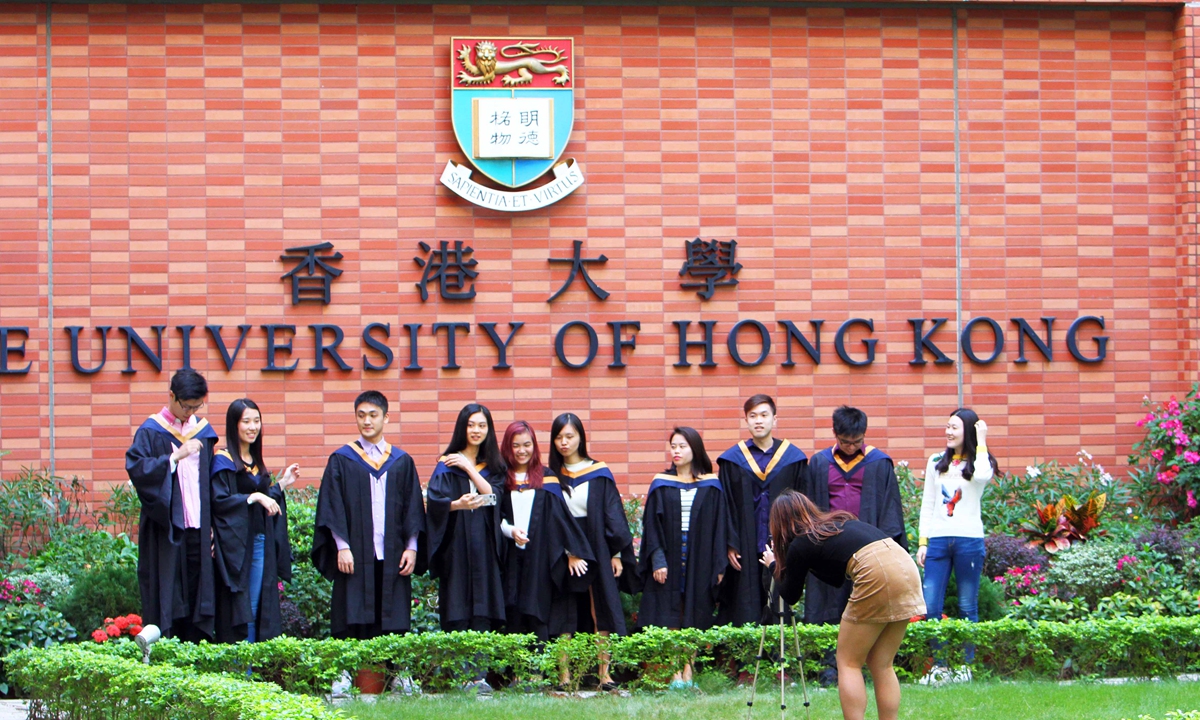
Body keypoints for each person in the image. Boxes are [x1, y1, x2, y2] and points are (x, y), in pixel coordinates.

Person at [762, 490, 924, 720]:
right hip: (904, 566)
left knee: (848, 662)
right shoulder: (837, 524)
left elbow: (790, 595)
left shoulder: (801, 543)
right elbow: (837, 578)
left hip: (874, 571)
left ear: (779, 524)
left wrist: (772, 565)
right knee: (882, 663)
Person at [802, 406, 908, 685]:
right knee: (828, 605)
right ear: (835, 434)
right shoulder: (819, 463)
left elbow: (890, 510)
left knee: (866, 605)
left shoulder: (879, 463)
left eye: (857, 441)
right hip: (830, 549)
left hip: (868, 551)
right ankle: (828, 669)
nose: (851, 447)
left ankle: (864, 665)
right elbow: (810, 509)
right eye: (845, 441)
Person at [311, 391, 426, 639]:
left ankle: (396, 674)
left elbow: (413, 508)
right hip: (354, 553)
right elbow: (332, 506)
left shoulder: (401, 461)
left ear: (386, 418)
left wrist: (412, 547)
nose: (367, 421)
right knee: (350, 611)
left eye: (373, 415)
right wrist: (341, 546)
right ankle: (345, 671)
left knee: (393, 614)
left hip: (393, 553)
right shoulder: (342, 459)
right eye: (361, 415)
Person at [125, 368, 219, 641]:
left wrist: (212, 525)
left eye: (196, 406)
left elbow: (211, 483)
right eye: (187, 406)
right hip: (166, 532)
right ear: (171, 396)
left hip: (198, 531)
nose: (190, 412)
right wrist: (175, 457)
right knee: (167, 593)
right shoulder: (151, 431)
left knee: (196, 595)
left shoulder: (202, 432)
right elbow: (138, 469)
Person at [549, 412, 636, 692]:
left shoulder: (598, 471)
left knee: (602, 607)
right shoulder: (550, 475)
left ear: (580, 438)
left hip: (597, 544)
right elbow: (549, 518)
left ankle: (605, 675)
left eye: (570, 436)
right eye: (559, 437)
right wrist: (567, 550)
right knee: (564, 609)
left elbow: (613, 514)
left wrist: (616, 553)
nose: (564, 442)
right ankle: (564, 676)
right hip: (563, 548)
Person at [637, 427, 729, 688]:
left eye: (682, 446)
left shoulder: (711, 485)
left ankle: (688, 674)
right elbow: (651, 526)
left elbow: (720, 526)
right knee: (669, 614)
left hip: (700, 557)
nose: (676, 451)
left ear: (695, 449)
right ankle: (674, 674)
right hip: (670, 555)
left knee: (693, 614)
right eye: (673, 446)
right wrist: (657, 559)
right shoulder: (661, 483)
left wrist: (719, 563)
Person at [916, 408, 997, 684]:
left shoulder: (979, 462)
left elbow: (984, 476)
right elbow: (928, 503)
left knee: (967, 607)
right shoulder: (936, 461)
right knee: (931, 607)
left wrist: (982, 439)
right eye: (947, 426)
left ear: (970, 431)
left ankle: (966, 666)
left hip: (969, 541)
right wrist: (923, 541)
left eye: (955, 427)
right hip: (937, 541)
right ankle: (939, 666)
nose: (948, 432)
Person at [210, 399, 298, 644]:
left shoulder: (255, 460)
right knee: (242, 608)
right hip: (237, 548)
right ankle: (242, 671)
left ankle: (249, 667)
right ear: (234, 424)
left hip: (259, 541)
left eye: (256, 420)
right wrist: (253, 496)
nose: (252, 426)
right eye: (246, 421)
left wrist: (281, 485)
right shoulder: (223, 459)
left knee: (256, 607)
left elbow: (264, 499)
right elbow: (219, 501)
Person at [717, 394, 807, 627]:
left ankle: (779, 658)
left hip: (782, 543)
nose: (758, 421)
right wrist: (730, 542)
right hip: (743, 546)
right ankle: (747, 660)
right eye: (752, 416)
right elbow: (725, 505)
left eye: (764, 415)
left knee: (780, 601)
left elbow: (801, 506)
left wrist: (794, 542)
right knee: (744, 604)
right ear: (746, 421)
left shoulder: (793, 458)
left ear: (774, 419)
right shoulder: (732, 460)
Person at [499, 420, 592, 645]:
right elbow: (494, 517)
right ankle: (516, 674)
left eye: (527, 444)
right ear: (507, 448)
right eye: (516, 445)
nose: (522, 451)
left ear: (534, 446)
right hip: (508, 556)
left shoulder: (547, 477)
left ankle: (537, 673)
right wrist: (510, 530)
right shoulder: (500, 477)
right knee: (512, 609)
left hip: (539, 556)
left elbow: (559, 519)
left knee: (536, 608)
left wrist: (572, 551)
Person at [425, 403, 507, 633]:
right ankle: (459, 668)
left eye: (482, 425)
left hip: (484, 545)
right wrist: (457, 505)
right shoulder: (447, 465)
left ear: (488, 430)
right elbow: (434, 504)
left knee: (483, 612)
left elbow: (493, 497)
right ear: (462, 428)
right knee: (457, 608)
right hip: (456, 546)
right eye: (471, 425)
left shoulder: (495, 466)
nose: (476, 430)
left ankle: (480, 669)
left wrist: (469, 468)